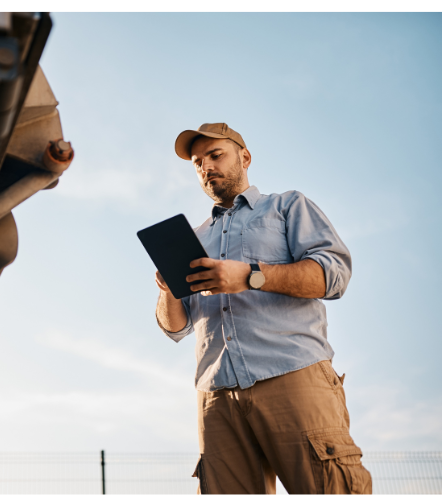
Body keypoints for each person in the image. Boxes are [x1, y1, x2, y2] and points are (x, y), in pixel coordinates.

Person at [156, 123, 372, 495]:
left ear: (245, 157)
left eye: (215, 155)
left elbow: (334, 275)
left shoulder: (287, 206)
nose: (206, 166)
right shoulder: (195, 237)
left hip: (292, 374)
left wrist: (250, 276)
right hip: (217, 397)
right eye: (197, 162)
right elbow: (175, 329)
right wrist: (168, 290)